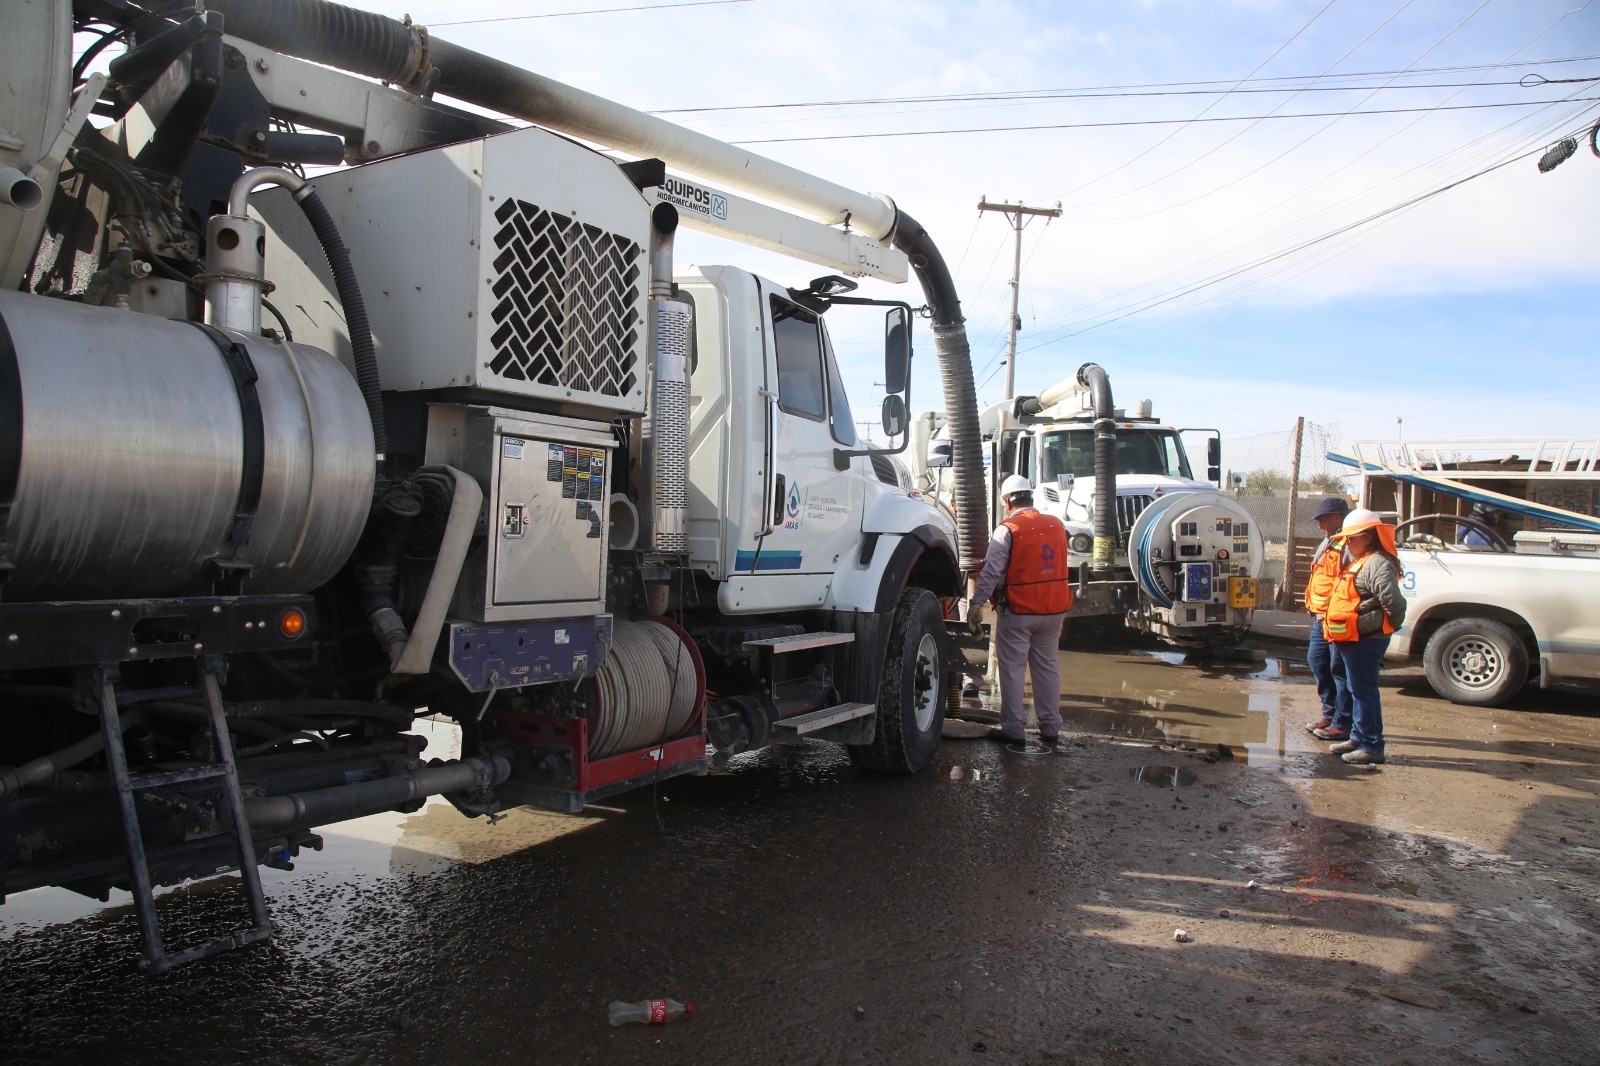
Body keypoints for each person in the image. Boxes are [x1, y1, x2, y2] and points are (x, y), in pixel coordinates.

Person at [970, 475, 1074, 747]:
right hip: (1053, 609)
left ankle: (1014, 730)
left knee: (1013, 669)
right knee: (1048, 667)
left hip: (1019, 609)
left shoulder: (1008, 529)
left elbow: (992, 572)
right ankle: (1050, 727)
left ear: (1006, 502)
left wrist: (977, 603)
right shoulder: (1057, 525)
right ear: (1031, 498)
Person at [1321, 508, 1407, 766]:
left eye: (1352, 538)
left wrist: (1378, 628)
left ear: (1368, 537)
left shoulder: (1377, 563)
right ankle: (1358, 738)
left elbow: (1394, 604)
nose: (1347, 543)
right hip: (1352, 639)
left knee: (1364, 692)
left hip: (1365, 640)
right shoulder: (1363, 560)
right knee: (1355, 689)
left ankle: (1371, 745)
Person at [1303, 497, 1352, 741]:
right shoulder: (1329, 542)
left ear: (1337, 517)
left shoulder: (1349, 545)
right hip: (1321, 617)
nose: (1319, 523)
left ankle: (1343, 723)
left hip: (1337, 619)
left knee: (1338, 669)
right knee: (1317, 661)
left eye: (1323, 518)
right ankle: (1329, 714)